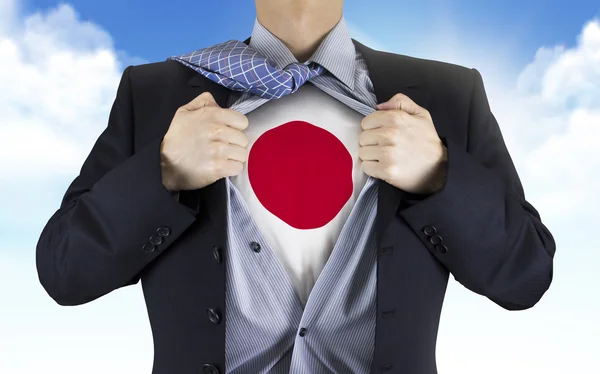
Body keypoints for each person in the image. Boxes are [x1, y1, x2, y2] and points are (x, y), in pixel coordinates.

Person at [35, 0, 556, 373]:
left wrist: (440, 175)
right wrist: (162, 171)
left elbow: (524, 275)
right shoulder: (154, 94)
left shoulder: (448, 94)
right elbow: (65, 272)